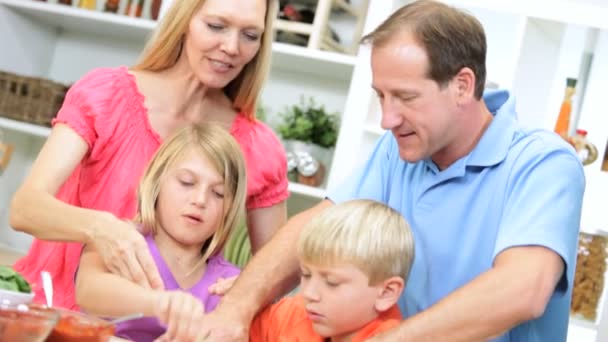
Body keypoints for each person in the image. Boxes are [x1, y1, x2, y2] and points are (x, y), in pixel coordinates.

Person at [201, 1, 586, 341]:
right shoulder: (400, 148)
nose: (387, 118)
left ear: (462, 86)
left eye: (405, 97)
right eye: (380, 96)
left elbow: (524, 288)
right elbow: (317, 227)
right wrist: (238, 307)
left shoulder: (542, 163)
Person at [9, 0, 287, 310]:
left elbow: (278, 270)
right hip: (48, 315)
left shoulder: (259, 148)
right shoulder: (106, 95)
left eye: (250, 35)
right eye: (216, 26)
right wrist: (103, 229)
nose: (232, 47)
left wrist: (251, 291)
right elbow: (25, 209)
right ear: (184, 21)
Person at [76, 123, 247, 342]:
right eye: (187, 182)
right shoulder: (119, 240)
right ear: (157, 181)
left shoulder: (231, 282)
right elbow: (88, 291)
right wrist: (159, 303)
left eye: (218, 193)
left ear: (230, 208)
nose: (200, 200)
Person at [249, 199, 414, 341]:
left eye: (331, 283)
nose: (309, 293)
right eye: (306, 275)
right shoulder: (297, 313)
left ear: (386, 292)